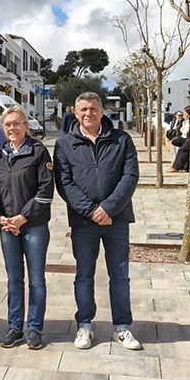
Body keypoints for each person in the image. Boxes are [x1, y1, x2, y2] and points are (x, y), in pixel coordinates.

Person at [54, 91, 142, 350]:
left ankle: (122, 327)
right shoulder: (64, 144)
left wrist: (108, 209)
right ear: (75, 112)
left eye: (93, 108)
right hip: (83, 222)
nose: (88, 113)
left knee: (120, 275)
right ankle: (85, 325)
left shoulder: (121, 140)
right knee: (84, 275)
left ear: (102, 111)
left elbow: (130, 176)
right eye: (83, 109)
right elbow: (64, 183)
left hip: (117, 220)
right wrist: (91, 211)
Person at [0, 105, 54, 350]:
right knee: (14, 279)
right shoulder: (1, 154)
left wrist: (22, 218)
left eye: (17, 123)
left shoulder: (38, 152)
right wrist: (0, 218)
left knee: (36, 279)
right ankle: (15, 326)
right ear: (2, 129)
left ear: (26, 125)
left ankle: (34, 328)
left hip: (33, 226)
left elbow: (46, 192)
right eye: (7, 125)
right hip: (7, 227)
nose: (12, 128)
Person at [168, 106, 190, 173]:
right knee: (175, 142)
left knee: (182, 150)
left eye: (185, 113)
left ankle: (176, 167)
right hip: (184, 138)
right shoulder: (185, 122)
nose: (183, 115)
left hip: (188, 139)